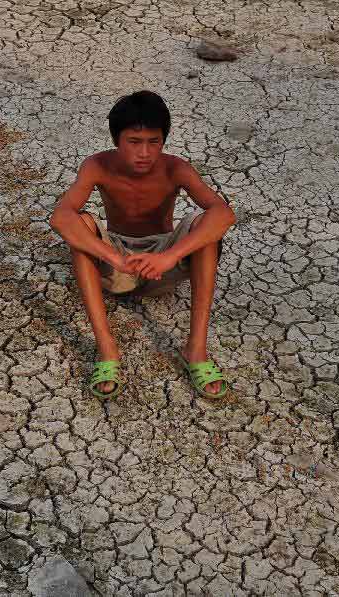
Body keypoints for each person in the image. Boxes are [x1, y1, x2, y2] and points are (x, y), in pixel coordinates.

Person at [49, 90, 236, 400]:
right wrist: (114, 256)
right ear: (116, 140)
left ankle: (196, 350)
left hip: (163, 264)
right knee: (80, 224)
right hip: (117, 265)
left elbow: (224, 214)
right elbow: (60, 217)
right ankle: (107, 350)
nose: (145, 153)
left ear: (164, 140)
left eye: (154, 142)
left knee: (206, 223)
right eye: (134, 143)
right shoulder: (96, 166)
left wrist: (169, 256)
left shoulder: (176, 168)